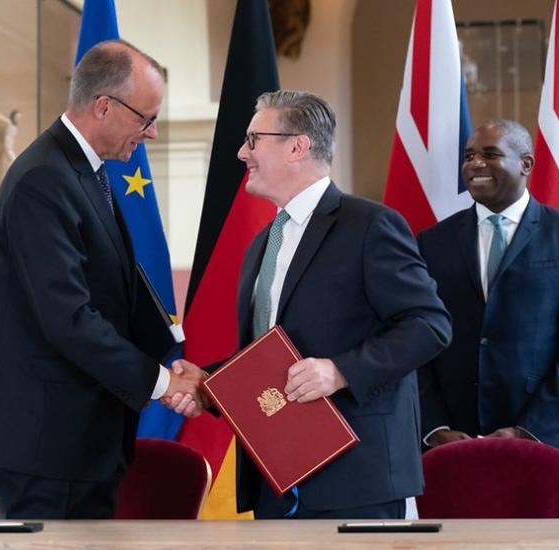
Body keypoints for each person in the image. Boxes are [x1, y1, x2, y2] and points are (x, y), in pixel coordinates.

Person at [172, 90, 451, 519]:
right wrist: (208, 385)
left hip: (357, 479)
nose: (242, 151)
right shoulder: (262, 244)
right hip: (275, 477)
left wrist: (340, 372)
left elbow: (429, 325)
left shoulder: (370, 225)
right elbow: (269, 353)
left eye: (253, 139)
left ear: (297, 146)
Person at [0, 39, 204, 520]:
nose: (151, 134)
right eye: (146, 118)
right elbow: (68, 319)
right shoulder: (43, 180)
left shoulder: (81, 172)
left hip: (76, 443)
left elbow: (114, 294)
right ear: (103, 106)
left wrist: (179, 368)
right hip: (45, 446)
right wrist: (163, 382)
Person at [416, 119, 559, 517]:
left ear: (525, 163)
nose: (475, 164)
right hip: (453, 451)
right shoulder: (432, 241)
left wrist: (528, 430)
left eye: (490, 154)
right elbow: (418, 342)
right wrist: (434, 427)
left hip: (547, 452)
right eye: (469, 156)